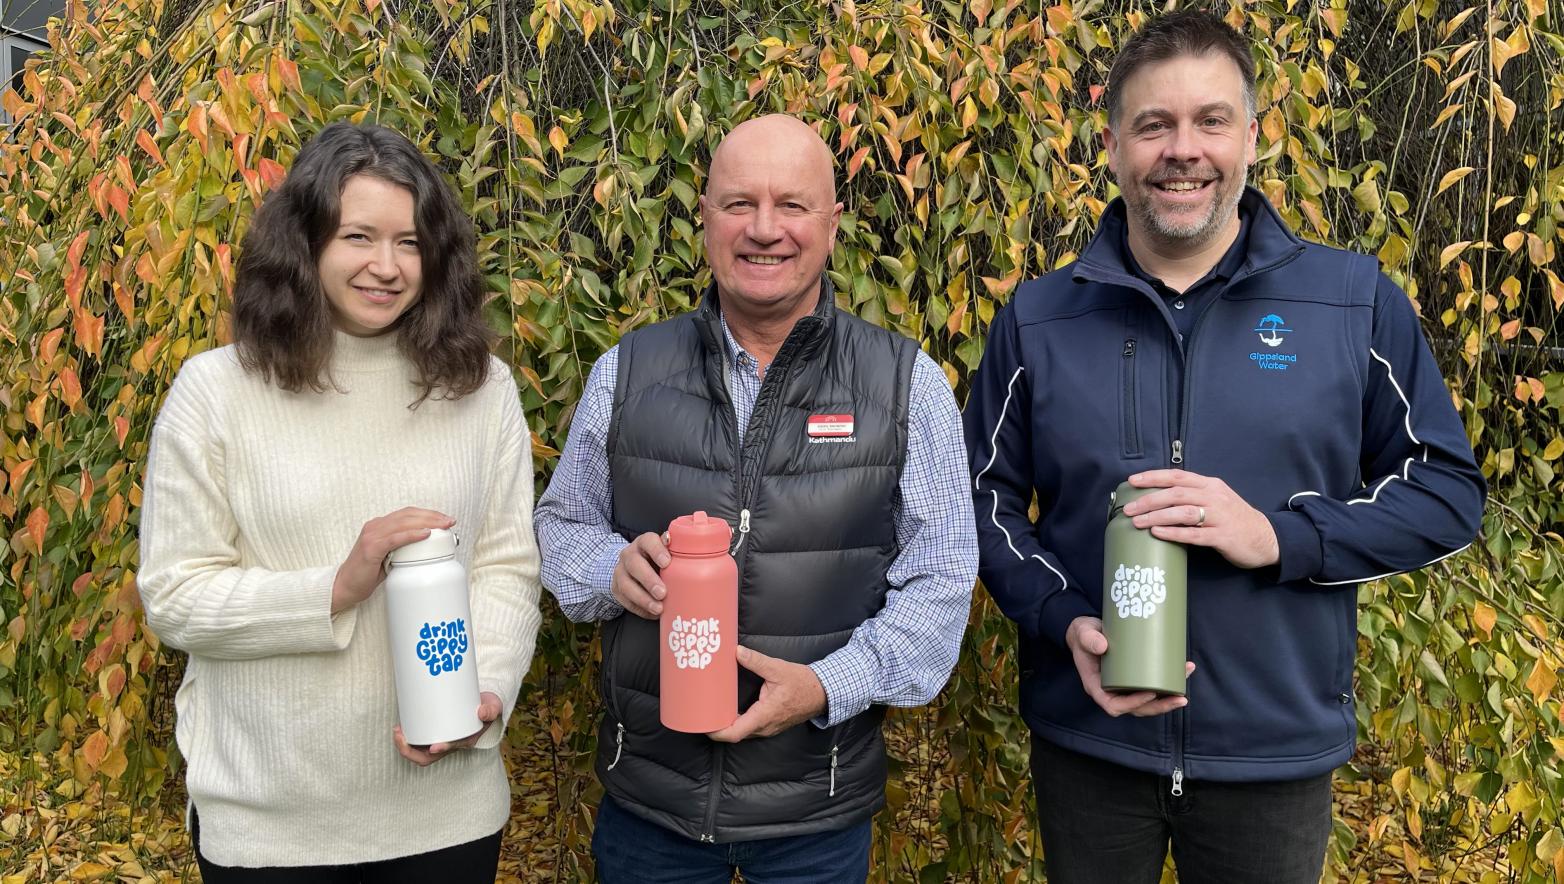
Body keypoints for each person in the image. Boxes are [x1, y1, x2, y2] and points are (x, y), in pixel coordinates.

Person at [961, 10, 1485, 883]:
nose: (1182, 149)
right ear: (1113, 144)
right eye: (1153, 124)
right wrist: (1063, 621)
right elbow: (980, 499)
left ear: (1252, 135)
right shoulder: (1041, 317)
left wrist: (1280, 537)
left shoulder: (1351, 302)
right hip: (1089, 744)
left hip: (1271, 756)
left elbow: (1446, 493)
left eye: (1210, 121)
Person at [534, 113, 978, 883]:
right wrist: (611, 567)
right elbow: (558, 526)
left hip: (817, 814)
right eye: (738, 204)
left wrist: (824, 687)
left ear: (833, 224)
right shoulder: (627, 372)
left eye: (792, 205)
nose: (763, 229)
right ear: (704, 218)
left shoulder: (907, 387)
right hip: (650, 810)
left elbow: (940, 584)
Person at [137, 122, 543, 879]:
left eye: (411, 242)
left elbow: (506, 567)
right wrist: (337, 587)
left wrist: (485, 692)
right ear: (306, 241)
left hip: (446, 816)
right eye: (359, 236)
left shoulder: (481, 388)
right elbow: (174, 595)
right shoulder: (216, 392)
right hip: (271, 826)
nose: (386, 267)